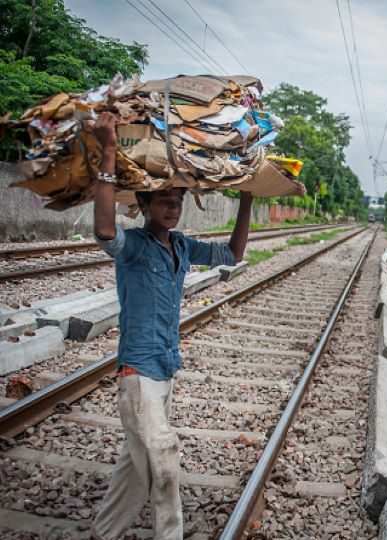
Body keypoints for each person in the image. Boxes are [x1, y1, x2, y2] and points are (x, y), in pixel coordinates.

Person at [89, 112, 253, 539]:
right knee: (162, 455)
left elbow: (232, 256)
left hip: (165, 369)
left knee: (135, 464)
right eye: (163, 201)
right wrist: (109, 150)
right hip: (138, 373)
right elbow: (105, 229)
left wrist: (248, 198)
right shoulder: (136, 249)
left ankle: (103, 532)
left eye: (177, 200)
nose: (173, 208)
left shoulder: (180, 246)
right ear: (143, 205)